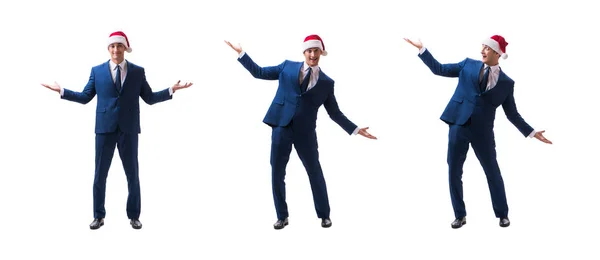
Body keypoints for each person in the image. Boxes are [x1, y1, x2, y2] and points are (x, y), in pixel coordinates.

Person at [41, 31, 192, 230]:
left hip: (128, 130)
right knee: (99, 175)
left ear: (125, 49)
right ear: (108, 49)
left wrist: (171, 90)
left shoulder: (138, 72)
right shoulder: (97, 71)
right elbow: (86, 97)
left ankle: (134, 216)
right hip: (104, 129)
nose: (115, 50)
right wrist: (62, 91)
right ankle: (98, 216)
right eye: (112, 46)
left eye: (119, 46)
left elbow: (149, 98)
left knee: (133, 175)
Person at [225, 34, 377, 230]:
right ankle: (282, 216)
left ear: (321, 53)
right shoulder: (287, 67)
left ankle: (324, 215)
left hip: (306, 133)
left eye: (316, 51)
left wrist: (355, 129)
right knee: (277, 172)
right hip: (281, 126)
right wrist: (242, 53)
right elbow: (259, 72)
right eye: (309, 51)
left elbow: (334, 113)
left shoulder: (327, 83)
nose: (313, 54)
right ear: (304, 52)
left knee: (315, 171)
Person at [404, 35, 552, 228]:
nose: (482, 51)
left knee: (492, 172)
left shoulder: (507, 83)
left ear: (497, 53)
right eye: (482, 47)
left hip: (483, 132)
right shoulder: (467, 65)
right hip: (458, 124)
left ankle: (502, 214)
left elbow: (512, 114)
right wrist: (422, 49)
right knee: (454, 171)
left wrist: (531, 132)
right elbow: (439, 69)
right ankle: (460, 215)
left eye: (487, 48)